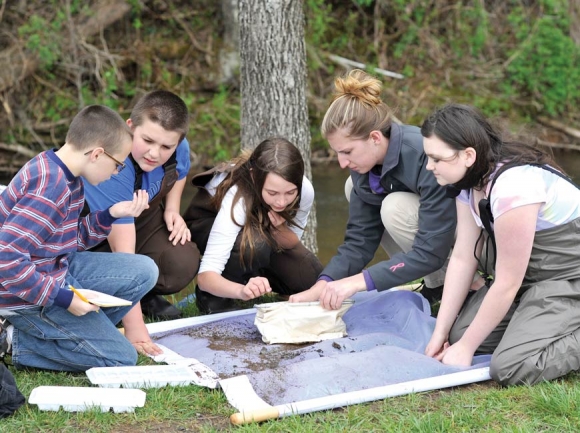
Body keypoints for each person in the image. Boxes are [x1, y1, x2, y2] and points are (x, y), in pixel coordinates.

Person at [421, 103, 580, 386]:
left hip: (567, 278)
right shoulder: (467, 182)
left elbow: (507, 282)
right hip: (530, 281)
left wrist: (466, 349)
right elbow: (462, 258)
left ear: (468, 155)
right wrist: (441, 335)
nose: (428, 166)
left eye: (436, 158)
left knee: (511, 366)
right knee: (461, 335)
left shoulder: (513, 188)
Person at [0, 105, 160, 372]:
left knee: (145, 270)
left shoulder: (66, 173)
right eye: (118, 164)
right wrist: (64, 299)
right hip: (25, 295)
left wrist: (110, 214)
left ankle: (78, 334)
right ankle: (12, 340)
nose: (116, 172)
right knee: (120, 357)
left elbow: (68, 240)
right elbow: (7, 260)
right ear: (97, 154)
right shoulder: (49, 188)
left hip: (57, 268)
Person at [290, 69, 456, 309]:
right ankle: (436, 285)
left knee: (393, 207)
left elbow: (431, 249)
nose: (342, 163)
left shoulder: (422, 155)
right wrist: (324, 283)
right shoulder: (363, 168)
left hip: (467, 236)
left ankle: (460, 284)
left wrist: (358, 283)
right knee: (352, 187)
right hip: (433, 240)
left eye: (347, 151)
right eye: (337, 152)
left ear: (375, 138)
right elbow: (360, 240)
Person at [83, 90, 200, 321]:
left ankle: (144, 296)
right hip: (92, 239)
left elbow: (180, 173)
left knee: (181, 262)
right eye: (147, 141)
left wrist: (172, 209)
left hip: (141, 219)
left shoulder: (177, 146)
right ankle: (115, 301)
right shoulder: (113, 167)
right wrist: (136, 330)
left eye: (166, 147)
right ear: (130, 127)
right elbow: (124, 258)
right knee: (127, 272)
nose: (154, 153)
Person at [183, 137, 323, 314]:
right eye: (272, 193)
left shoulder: (305, 191)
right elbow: (205, 276)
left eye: (290, 193)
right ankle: (212, 298)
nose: (281, 202)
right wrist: (241, 291)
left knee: (314, 279)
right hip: (206, 224)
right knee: (255, 245)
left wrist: (278, 229)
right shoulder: (238, 198)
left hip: (260, 233)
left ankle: (258, 278)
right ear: (254, 177)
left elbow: (290, 245)